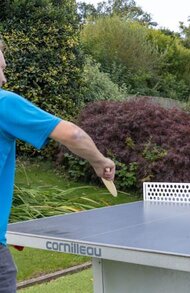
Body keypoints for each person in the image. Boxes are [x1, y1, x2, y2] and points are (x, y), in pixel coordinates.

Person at [0, 39, 115, 292]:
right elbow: (73, 135)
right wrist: (100, 161)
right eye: (1, 68)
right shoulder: (4, 103)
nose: (5, 78)